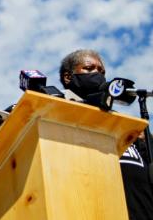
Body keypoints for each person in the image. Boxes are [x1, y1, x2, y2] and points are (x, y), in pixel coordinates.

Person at [59, 49, 153, 220]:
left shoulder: (124, 123)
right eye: (89, 68)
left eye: (102, 71)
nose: (98, 74)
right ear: (68, 77)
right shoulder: (55, 109)